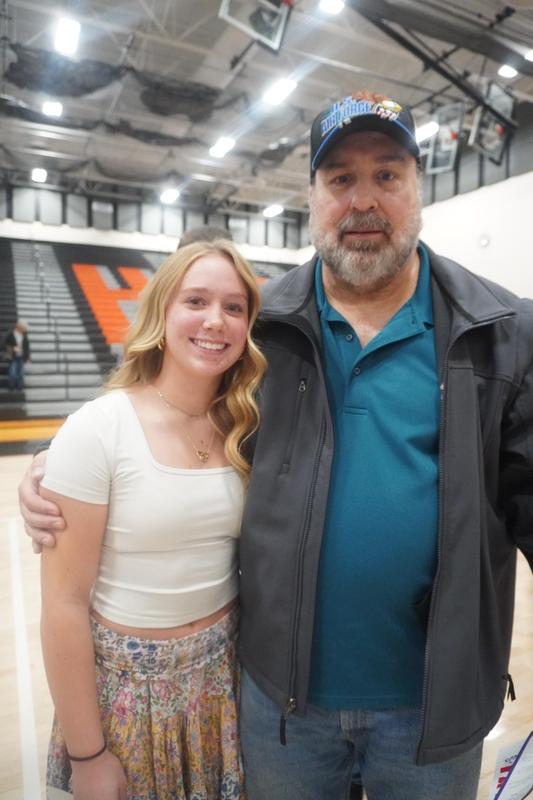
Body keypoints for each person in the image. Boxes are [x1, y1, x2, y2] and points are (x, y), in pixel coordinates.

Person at [19, 90, 533, 800]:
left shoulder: (502, 330)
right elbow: (164, 414)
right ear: (313, 196)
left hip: (430, 709)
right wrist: (57, 470)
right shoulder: (258, 330)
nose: (362, 200)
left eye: (386, 175)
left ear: (419, 188)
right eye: (339, 179)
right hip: (280, 710)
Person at [38, 239, 265, 800]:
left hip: (221, 684)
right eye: (197, 300)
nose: (216, 320)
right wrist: (88, 755)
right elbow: (63, 605)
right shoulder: (99, 427)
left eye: (234, 307)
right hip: (126, 699)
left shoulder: (249, 425)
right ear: (162, 314)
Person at [4, 319, 30, 390]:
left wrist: (28, 357)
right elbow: (3, 345)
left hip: (21, 356)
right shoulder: (10, 334)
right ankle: (11, 387)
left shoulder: (25, 335)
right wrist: (13, 348)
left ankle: (19, 387)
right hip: (13, 357)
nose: (25, 329)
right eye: (23, 327)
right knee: (13, 373)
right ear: (19, 326)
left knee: (21, 374)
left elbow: (27, 347)